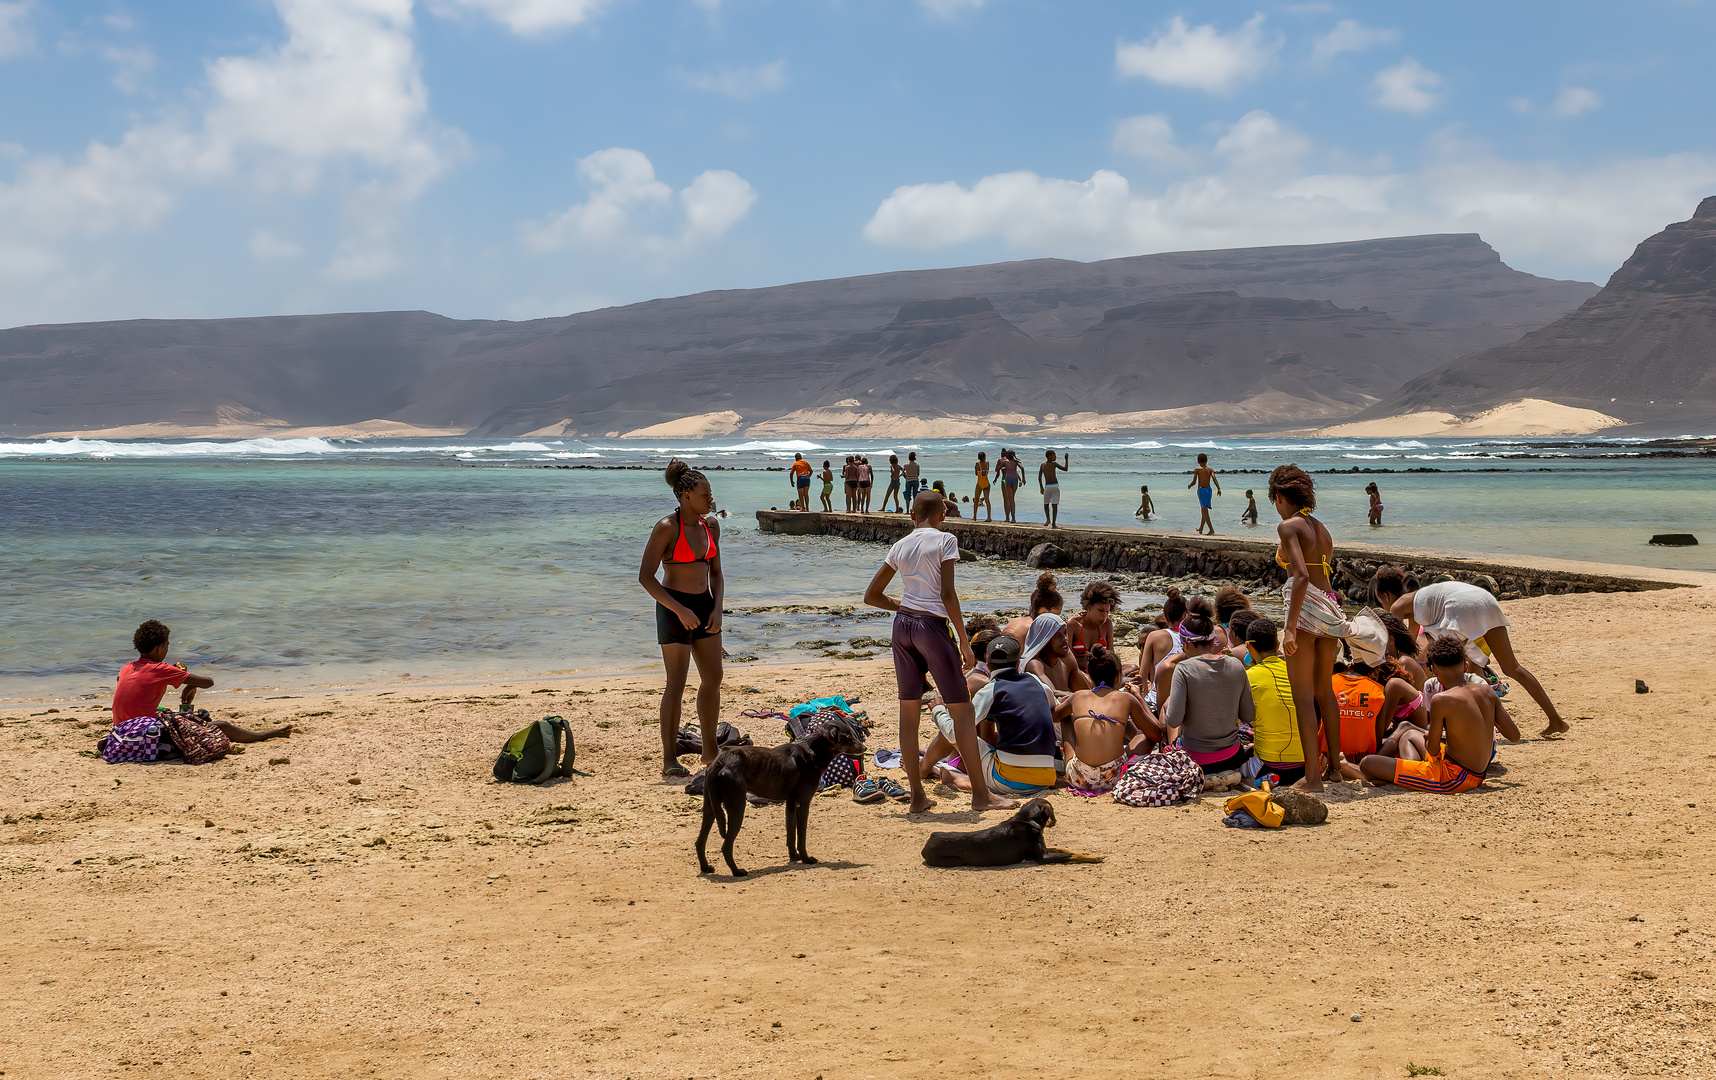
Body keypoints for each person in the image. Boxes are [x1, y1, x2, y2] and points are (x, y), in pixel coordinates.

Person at [864, 489, 1015, 813]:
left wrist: (902, 605)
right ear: (942, 514)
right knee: (962, 712)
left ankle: (917, 797)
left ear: (911, 516)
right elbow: (947, 593)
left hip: (902, 628)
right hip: (932, 628)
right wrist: (963, 638)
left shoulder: (899, 546)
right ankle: (981, 796)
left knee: (908, 714)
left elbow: (872, 595)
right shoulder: (945, 540)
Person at [1372, 566, 1568, 738]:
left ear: (1386, 596)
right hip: (1484, 600)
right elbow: (1411, 645)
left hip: (1460, 607)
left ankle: (1456, 721)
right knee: (1509, 668)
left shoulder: (1397, 606)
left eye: (1381, 601)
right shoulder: (1417, 602)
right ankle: (1555, 720)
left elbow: (1396, 646)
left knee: (1449, 668)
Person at [639, 459, 725, 780]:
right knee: (676, 684)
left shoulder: (711, 525)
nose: (711, 500)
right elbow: (646, 577)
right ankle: (669, 760)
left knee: (713, 679)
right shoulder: (666, 528)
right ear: (686, 495)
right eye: (706, 495)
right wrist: (678, 609)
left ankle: (710, 751)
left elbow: (716, 572)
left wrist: (717, 608)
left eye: (711, 494)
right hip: (674, 609)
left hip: (704, 607)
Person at [1271, 464, 1343, 792]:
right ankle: (1335, 770)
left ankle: (1313, 779)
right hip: (1329, 607)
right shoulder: (1322, 528)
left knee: (1302, 698)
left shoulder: (1288, 526)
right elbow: (1321, 574)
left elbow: (1299, 576)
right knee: (1324, 691)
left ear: (1279, 496)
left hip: (1305, 612)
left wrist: (1288, 628)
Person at [1360, 634, 1503, 793]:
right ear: (1466, 666)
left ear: (1433, 668)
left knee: (1367, 764)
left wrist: (1430, 737)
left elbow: (1433, 750)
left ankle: (1401, 773)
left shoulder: (1441, 699)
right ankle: (1406, 771)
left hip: (1453, 778)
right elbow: (1514, 735)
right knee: (1409, 734)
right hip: (1477, 773)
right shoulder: (1486, 692)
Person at [922, 635, 1058, 799]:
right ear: (1017, 663)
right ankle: (953, 775)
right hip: (1046, 777)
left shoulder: (992, 689)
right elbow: (1053, 709)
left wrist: (937, 710)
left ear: (987, 663)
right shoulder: (1036, 682)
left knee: (951, 729)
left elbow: (954, 732)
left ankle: (923, 769)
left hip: (1008, 781)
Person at [113, 621, 291, 742]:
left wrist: (178, 676)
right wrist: (190, 682)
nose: (167, 648)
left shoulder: (126, 667)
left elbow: (136, 685)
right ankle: (262, 736)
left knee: (182, 715)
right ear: (160, 647)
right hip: (144, 734)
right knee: (221, 725)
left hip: (119, 731)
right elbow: (208, 682)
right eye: (167, 645)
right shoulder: (160, 669)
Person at [1159, 609, 1255, 776]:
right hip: (1232, 757)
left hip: (1196, 760)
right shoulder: (1236, 665)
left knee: (1168, 704)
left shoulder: (1183, 669)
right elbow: (1248, 714)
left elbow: (1173, 720)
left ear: (1186, 644)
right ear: (1213, 641)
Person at [1054, 645, 1161, 793]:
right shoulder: (1126, 698)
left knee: (1065, 717)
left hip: (1079, 778)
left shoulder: (1078, 696)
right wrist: (1139, 697)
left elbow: (1055, 716)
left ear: (1090, 677)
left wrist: (1068, 704)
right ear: (1118, 677)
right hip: (1115, 777)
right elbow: (1156, 734)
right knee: (1146, 734)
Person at [1242, 618, 1303, 786]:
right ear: (1277, 645)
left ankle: (1255, 780)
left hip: (1268, 765)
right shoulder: (1295, 672)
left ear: (1249, 647)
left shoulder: (1248, 676)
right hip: (1305, 766)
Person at [1134, 587, 1187, 706]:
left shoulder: (1155, 636)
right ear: (1185, 615)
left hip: (1158, 701)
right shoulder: (1194, 639)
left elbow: (1142, 676)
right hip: (1185, 700)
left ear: (1166, 616)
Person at [1021, 612, 1091, 694]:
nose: (1065, 639)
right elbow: (1052, 694)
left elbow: (1083, 690)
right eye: (1058, 635)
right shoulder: (1035, 664)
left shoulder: (1067, 657)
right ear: (1044, 640)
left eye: (1065, 633)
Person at [1066, 579, 1118, 671]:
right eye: (1100, 610)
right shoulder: (1073, 625)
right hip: (1078, 674)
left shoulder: (1107, 624)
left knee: (1132, 669)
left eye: (1107, 611)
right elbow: (1066, 657)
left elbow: (1111, 655)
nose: (1104, 616)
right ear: (1089, 607)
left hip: (1101, 674)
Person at [1189, 453, 1222, 535]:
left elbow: (1194, 482)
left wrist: (1189, 485)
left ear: (1198, 461)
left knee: (1204, 510)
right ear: (1206, 460)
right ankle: (1201, 528)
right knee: (1204, 509)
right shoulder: (1210, 469)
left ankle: (1211, 529)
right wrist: (1218, 488)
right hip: (1209, 490)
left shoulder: (1197, 470)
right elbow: (1214, 478)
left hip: (1202, 490)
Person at [1038, 450, 1070, 527]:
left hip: (1051, 486)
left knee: (1050, 504)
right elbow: (1065, 469)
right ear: (1049, 456)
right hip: (1052, 486)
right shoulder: (1048, 465)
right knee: (1049, 505)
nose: (1055, 457)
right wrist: (1066, 459)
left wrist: (1041, 487)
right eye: (1054, 455)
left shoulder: (1046, 465)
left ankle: (1052, 522)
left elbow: (1039, 477)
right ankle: (1050, 521)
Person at [995, 449, 1023, 523]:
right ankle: (1011, 517)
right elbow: (1016, 471)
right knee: (1011, 499)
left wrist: (995, 479)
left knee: (1006, 499)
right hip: (1014, 480)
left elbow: (997, 470)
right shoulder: (1014, 462)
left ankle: (1008, 517)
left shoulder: (1001, 461)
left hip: (1005, 480)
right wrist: (1021, 479)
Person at [972, 452, 993, 521]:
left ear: (978, 458)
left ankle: (974, 517)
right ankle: (989, 517)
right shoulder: (987, 463)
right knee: (987, 500)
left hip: (980, 483)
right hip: (986, 482)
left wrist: (976, 469)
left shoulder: (977, 464)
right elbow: (987, 472)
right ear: (985, 457)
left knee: (976, 500)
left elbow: (976, 474)